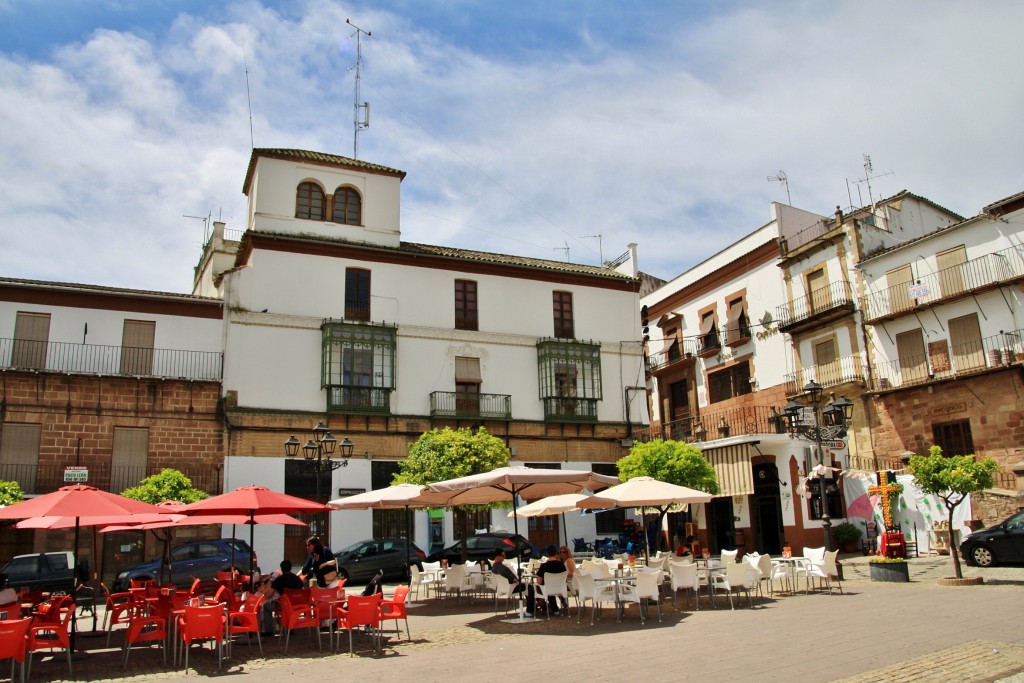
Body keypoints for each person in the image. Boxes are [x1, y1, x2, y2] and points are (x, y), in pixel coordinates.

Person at [260, 559, 304, 636]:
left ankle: (269, 631)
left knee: (266, 606)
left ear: (282, 569)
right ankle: (290, 627)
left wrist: (270, 583)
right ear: (291, 568)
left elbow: (268, 595)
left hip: (284, 606)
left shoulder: (279, 579)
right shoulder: (298, 579)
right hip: (297, 605)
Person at [491, 549, 534, 616]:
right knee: (530, 588)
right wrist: (513, 579)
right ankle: (530, 610)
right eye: (502, 556)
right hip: (512, 587)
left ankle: (533, 607)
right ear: (497, 556)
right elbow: (502, 572)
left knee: (529, 587)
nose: (504, 557)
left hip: (507, 587)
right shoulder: (499, 566)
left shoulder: (495, 566)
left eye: (504, 556)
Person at [535, 544, 567, 615]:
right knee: (549, 588)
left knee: (531, 589)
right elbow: (565, 579)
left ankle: (531, 610)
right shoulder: (561, 565)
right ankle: (554, 609)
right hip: (560, 588)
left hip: (547, 589)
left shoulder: (544, 566)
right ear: (556, 553)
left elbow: (538, 582)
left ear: (547, 554)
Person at [557, 546, 576, 611]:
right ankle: (561, 604)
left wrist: (563, 575)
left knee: (556, 586)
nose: (562, 554)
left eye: (564, 552)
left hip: (570, 584)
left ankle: (560, 604)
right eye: (560, 552)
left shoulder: (569, 560)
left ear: (567, 553)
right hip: (565, 583)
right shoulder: (562, 562)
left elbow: (573, 572)